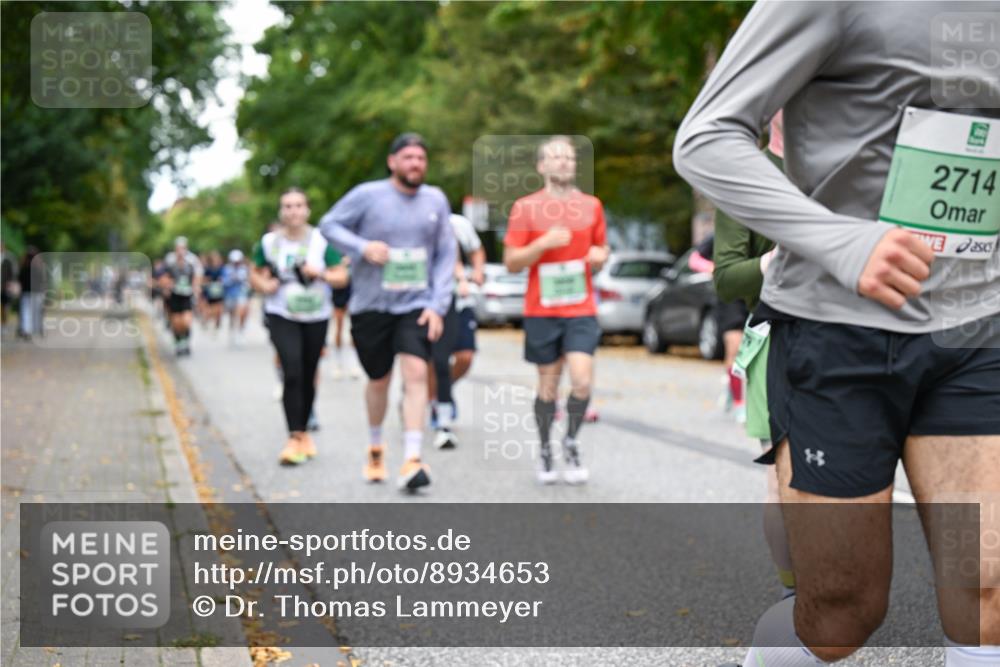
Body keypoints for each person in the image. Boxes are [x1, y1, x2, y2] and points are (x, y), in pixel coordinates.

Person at [673, 2, 999, 666]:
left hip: (974, 332)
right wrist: (841, 241)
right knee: (841, 610)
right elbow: (706, 136)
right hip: (837, 330)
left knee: (987, 589)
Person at [320, 132, 455, 491]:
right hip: (371, 306)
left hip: (416, 304)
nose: (416, 164)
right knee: (379, 380)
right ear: (392, 162)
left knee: (415, 373)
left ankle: (412, 458)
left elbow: (445, 254)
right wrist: (362, 247)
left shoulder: (436, 200)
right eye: (408, 157)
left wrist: (437, 304)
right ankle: (376, 446)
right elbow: (329, 225)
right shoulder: (368, 196)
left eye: (421, 158)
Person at [712, 112, 790, 599]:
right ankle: (795, 594)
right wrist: (780, 257)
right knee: (785, 479)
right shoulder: (746, 177)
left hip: (849, 337)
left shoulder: (847, 168)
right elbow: (725, 279)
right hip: (776, 336)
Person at [503, 135, 609, 484]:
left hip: (580, 307)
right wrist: (543, 244)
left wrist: (599, 257)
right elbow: (512, 262)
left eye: (569, 157)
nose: (564, 162)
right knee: (548, 387)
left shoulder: (592, 206)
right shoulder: (525, 207)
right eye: (556, 157)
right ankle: (546, 447)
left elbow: (601, 250)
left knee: (581, 380)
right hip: (542, 309)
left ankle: (571, 440)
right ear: (542, 166)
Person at [250, 187, 347, 466]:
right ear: (281, 212)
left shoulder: (321, 241)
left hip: (316, 314)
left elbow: (341, 275)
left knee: (308, 371)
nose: (293, 211)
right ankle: (294, 436)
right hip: (282, 313)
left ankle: (304, 432)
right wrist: (264, 285)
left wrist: (323, 274)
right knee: (291, 369)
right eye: (288, 206)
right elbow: (254, 273)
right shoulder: (269, 243)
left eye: (298, 205)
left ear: (307, 210)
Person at [428, 212, 486, 449]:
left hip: (461, 302)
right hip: (435, 302)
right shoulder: (421, 223)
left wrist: (477, 272)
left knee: (465, 356)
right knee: (437, 360)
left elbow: (476, 250)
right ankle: (437, 403)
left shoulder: (459, 224)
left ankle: (442, 391)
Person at [160, 237, 203, 356]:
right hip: (174, 295)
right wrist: (167, 286)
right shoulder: (169, 260)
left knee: (186, 321)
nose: (180, 251)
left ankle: (186, 342)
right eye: (178, 248)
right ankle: (179, 341)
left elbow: (197, 277)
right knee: (176, 322)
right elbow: (163, 276)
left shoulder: (192, 260)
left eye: (183, 248)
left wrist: (196, 289)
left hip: (187, 295)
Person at [328, 257, 361, 380]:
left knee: (354, 329)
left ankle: (354, 363)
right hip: (340, 289)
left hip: (354, 287)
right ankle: (337, 363)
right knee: (338, 327)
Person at [222, 249, 251, 346]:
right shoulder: (227, 269)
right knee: (232, 315)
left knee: (242, 313)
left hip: (241, 294)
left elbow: (248, 282)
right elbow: (224, 282)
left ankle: (240, 331)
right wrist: (232, 279)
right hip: (230, 295)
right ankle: (232, 333)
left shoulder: (244, 269)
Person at [16, 247, 45, 339]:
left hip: (26, 293)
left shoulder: (23, 267)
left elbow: (19, 280)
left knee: (26, 312)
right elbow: (43, 281)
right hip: (37, 293)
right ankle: (36, 329)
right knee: (36, 312)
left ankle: (26, 330)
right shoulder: (39, 267)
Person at [202, 250, 226, 334]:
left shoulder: (222, 268)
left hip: (219, 291)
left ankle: (217, 323)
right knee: (211, 308)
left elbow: (225, 278)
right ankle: (208, 321)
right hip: (210, 291)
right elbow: (204, 279)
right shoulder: (208, 269)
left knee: (219, 308)